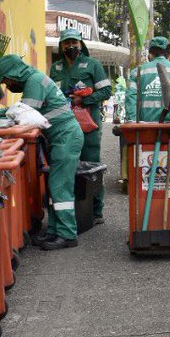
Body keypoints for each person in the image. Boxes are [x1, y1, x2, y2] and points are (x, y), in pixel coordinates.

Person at [0, 54, 84, 250]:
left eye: (6, 80)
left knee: (60, 186)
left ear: (14, 73)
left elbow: (24, 112)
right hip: (61, 137)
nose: (7, 86)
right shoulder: (34, 79)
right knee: (54, 185)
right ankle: (54, 230)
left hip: (66, 137)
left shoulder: (34, 80)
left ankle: (67, 234)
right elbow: (23, 109)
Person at [49, 28, 112, 226]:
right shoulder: (56, 68)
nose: (70, 46)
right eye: (66, 43)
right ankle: (75, 208)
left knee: (91, 165)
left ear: (81, 44)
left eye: (74, 42)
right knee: (67, 166)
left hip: (88, 124)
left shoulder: (92, 65)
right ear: (61, 46)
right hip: (64, 126)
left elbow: (107, 91)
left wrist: (83, 101)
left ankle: (96, 210)